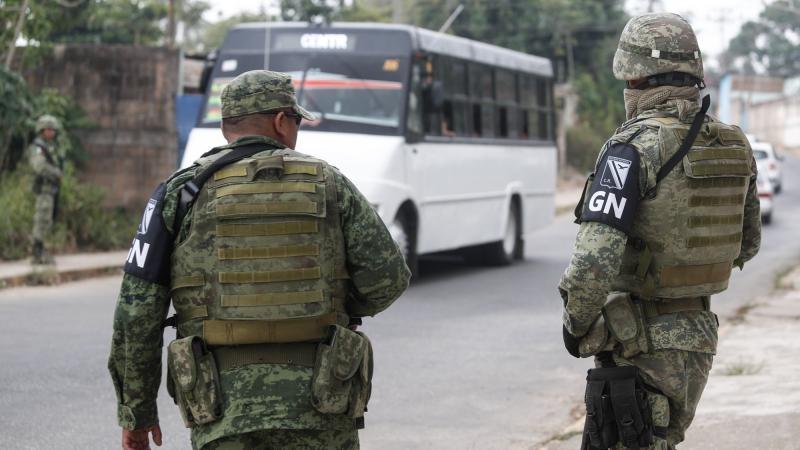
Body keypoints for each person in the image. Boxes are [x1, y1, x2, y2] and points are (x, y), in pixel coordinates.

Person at [108, 70, 410, 450]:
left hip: (221, 410)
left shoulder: (179, 192)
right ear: (282, 121)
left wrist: (137, 414)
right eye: (296, 120)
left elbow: (136, 313)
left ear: (225, 127)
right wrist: (332, 307)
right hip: (322, 404)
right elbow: (388, 278)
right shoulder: (331, 184)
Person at [559, 13, 760, 450]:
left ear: (635, 79)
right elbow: (748, 245)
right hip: (699, 337)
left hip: (638, 342)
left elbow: (593, 263)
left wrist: (576, 325)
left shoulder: (631, 148)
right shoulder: (733, 143)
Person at [28, 114, 64, 265]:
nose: (52, 132)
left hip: (51, 190)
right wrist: (56, 173)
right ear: (42, 130)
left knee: (47, 221)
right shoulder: (38, 147)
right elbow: (39, 166)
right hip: (43, 189)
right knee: (42, 219)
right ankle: (37, 253)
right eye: (49, 129)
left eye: (53, 129)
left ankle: (41, 251)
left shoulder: (50, 147)